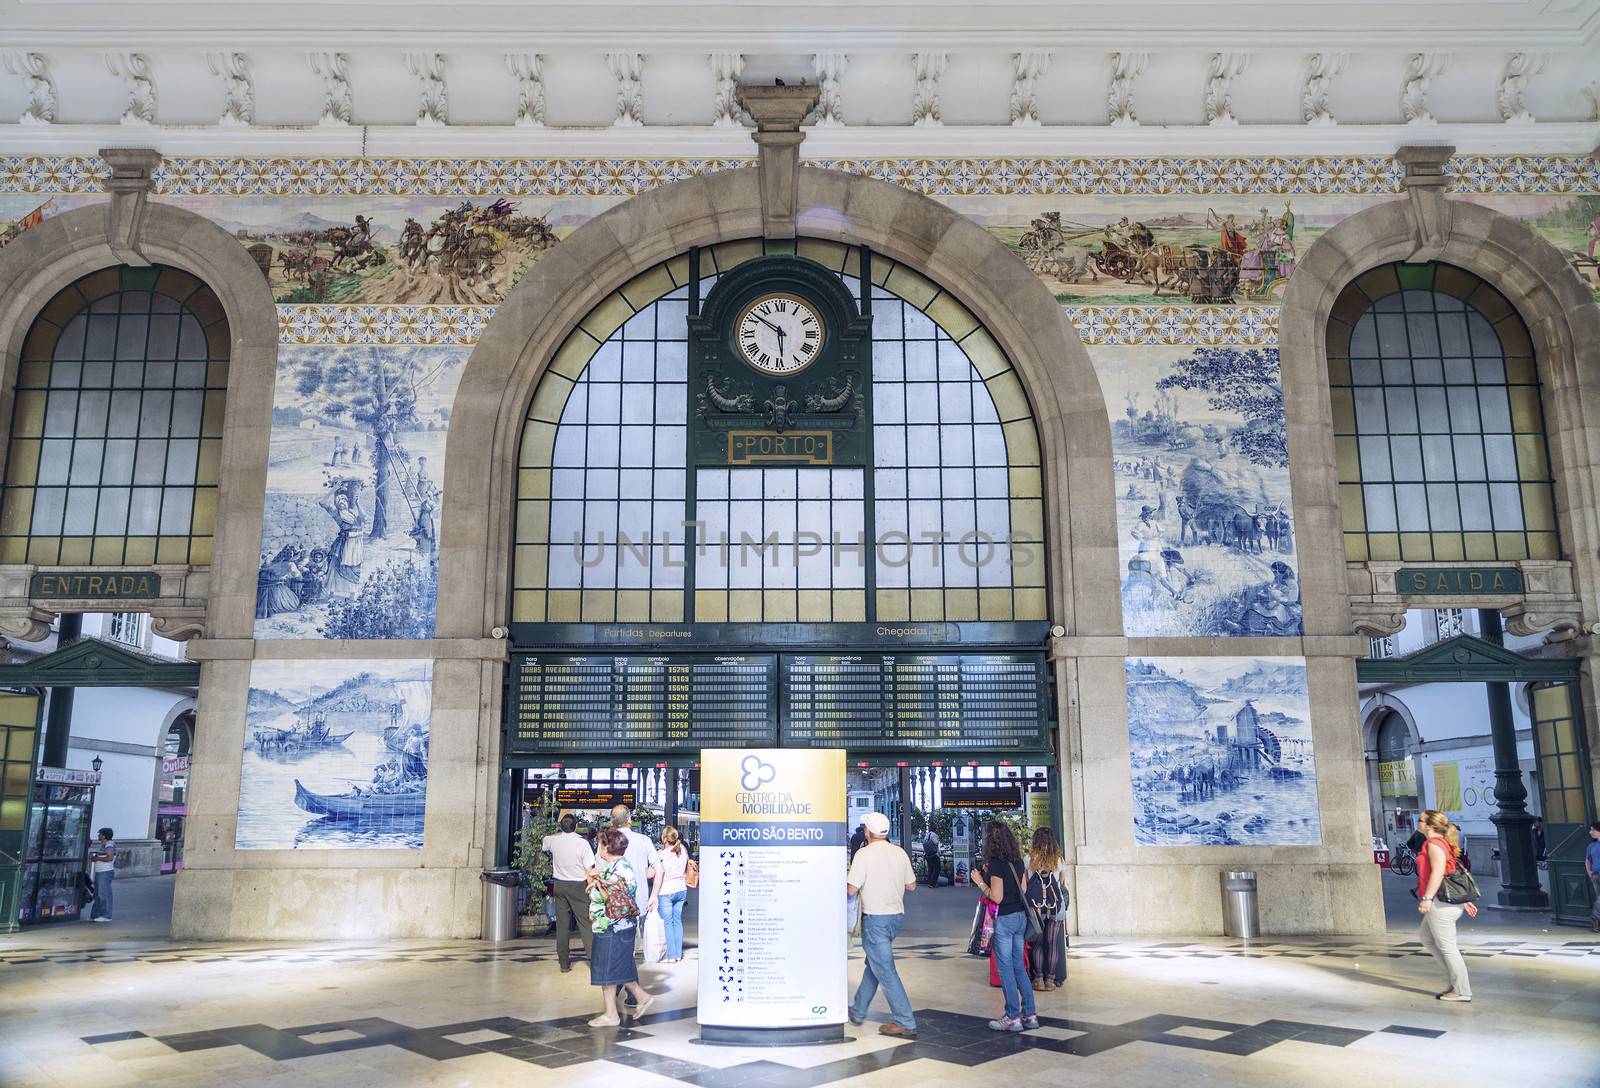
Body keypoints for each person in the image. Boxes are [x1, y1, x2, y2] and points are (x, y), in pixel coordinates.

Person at [846, 812, 919, 1038]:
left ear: (867, 832)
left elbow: (851, 889)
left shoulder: (863, 854)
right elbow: (912, 885)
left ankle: (905, 1020)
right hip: (895, 917)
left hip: (875, 918)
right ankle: (858, 1011)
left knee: (885, 969)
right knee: (875, 964)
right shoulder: (899, 852)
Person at [971, 822, 1037, 1032]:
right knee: (1019, 965)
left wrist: (980, 881)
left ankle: (1012, 1017)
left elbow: (997, 897)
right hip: (1020, 918)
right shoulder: (1017, 861)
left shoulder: (997, 864)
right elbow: (1024, 888)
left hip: (1005, 919)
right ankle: (1030, 1014)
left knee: (1006, 967)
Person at [586, 828, 654, 1028]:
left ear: (606, 846)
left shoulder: (619, 869)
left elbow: (611, 895)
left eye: (600, 843)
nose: (598, 846)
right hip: (615, 926)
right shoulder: (615, 866)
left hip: (614, 926)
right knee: (612, 968)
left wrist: (596, 882)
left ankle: (614, 1013)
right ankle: (628, 1004)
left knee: (609, 969)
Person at [1416, 809, 1478, 1002]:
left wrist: (1427, 898)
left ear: (1428, 825)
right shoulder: (1442, 843)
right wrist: (1464, 899)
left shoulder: (1434, 844)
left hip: (1440, 904)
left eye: (1420, 820)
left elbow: (1438, 873)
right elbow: (1454, 872)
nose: (1417, 823)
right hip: (1445, 902)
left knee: (1448, 947)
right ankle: (1455, 982)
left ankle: (1462, 990)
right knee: (1426, 937)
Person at [543, 814, 597, 973]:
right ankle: (594, 961)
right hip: (579, 886)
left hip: (559, 886)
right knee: (586, 924)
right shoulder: (582, 844)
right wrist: (592, 889)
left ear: (561, 826)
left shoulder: (553, 841)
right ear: (577, 825)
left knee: (562, 926)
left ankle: (564, 963)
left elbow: (545, 842)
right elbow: (589, 869)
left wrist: (559, 833)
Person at [1025, 827, 1068, 991]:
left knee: (1038, 944)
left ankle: (1038, 980)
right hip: (1056, 907)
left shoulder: (1028, 860)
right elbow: (1062, 885)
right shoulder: (1058, 860)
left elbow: (1025, 886)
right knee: (1052, 943)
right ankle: (1051, 980)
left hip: (1036, 908)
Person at [648, 826, 691, 963]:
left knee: (667, 923)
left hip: (666, 891)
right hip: (681, 890)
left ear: (664, 838)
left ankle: (671, 955)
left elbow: (650, 873)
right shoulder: (682, 850)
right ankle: (678, 954)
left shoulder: (660, 854)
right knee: (677, 921)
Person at [88, 828, 115, 923]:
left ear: (104, 836)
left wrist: (97, 858)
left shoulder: (109, 845)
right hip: (101, 871)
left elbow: (110, 857)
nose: (98, 836)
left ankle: (106, 915)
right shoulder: (104, 845)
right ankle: (97, 913)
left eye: (99, 834)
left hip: (105, 871)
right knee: (98, 894)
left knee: (103, 893)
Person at [1585, 821, 1600, 933]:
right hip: (1596, 875)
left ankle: (1595, 920)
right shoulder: (1591, 845)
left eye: (1592, 830)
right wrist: (1589, 871)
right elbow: (1587, 860)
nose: (1590, 832)